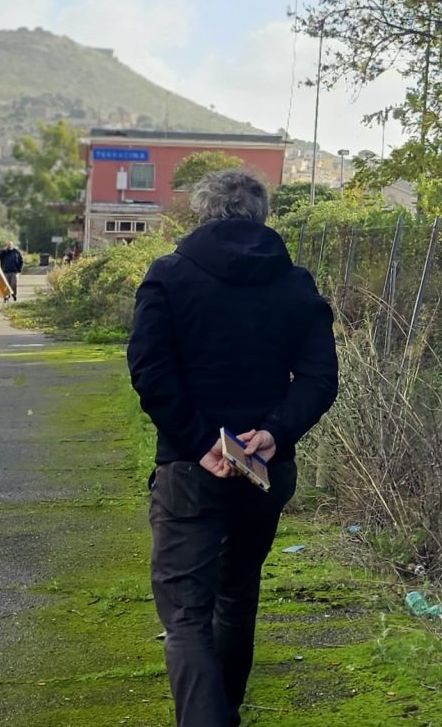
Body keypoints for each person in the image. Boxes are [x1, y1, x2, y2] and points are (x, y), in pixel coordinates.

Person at [126, 169, 338, 727]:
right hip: (264, 468)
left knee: (187, 615)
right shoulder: (295, 284)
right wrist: (273, 432)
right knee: (237, 591)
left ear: (202, 211)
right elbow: (319, 378)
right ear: (262, 216)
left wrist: (198, 442)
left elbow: (151, 372)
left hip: (188, 471)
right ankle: (226, 711)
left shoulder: (169, 276)